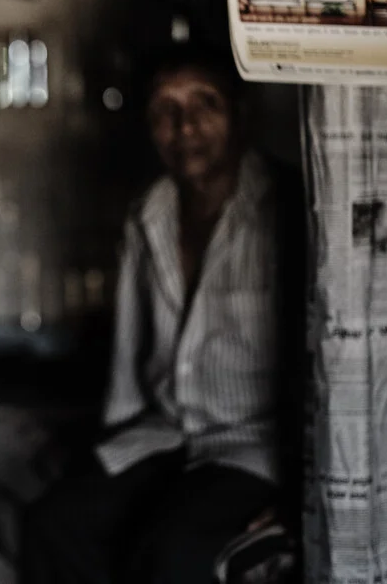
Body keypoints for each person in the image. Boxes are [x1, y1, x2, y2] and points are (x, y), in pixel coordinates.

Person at [21, 45, 304, 583]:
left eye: (205, 103)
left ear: (241, 115)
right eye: (164, 110)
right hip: (165, 430)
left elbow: (313, 367)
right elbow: (130, 351)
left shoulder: (285, 206)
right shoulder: (148, 212)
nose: (185, 125)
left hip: (254, 445)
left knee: (167, 554)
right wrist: (106, 449)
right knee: (53, 524)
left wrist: (301, 485)